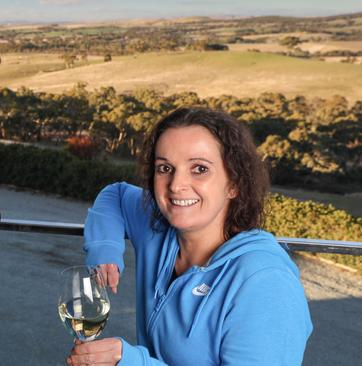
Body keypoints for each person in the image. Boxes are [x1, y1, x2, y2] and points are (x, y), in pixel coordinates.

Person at [67, 107, 312, 365]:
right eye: (164, 168)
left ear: (234, 184)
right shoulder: (158, 228)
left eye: (200, 169)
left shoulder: (266, 283)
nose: (176, 184)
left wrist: (130, 361)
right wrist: (105, 250)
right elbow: (115, 196)